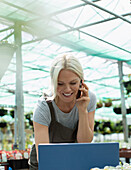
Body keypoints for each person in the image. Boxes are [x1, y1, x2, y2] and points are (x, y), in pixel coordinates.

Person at [29, 53, 97, 170]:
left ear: (81, 81)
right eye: (60, 84)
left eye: (73, 83)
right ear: (53, 82)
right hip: (45, 165)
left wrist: (82, 110)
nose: (67, 89)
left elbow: (84, 142)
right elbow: (44, 157)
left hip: (74, 162)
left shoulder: (89, 99)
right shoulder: (44, 106)